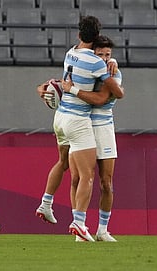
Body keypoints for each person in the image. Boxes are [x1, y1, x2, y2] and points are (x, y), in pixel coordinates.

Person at [36, 35, 122, 242]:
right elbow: (60, 82)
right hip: (82, 126)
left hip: (103, 128)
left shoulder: (113, 73)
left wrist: (71, 90)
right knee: (77, 178)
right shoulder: (88, 69)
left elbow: (103, 99)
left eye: (107, 55)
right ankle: (79, 225)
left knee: (106, 182)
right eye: (99, 54)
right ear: (92, 54)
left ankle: (103, 229)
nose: (103, 58)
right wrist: (46, 89)